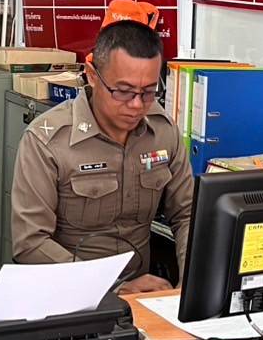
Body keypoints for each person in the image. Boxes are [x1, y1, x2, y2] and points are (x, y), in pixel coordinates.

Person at [11, 19, 193, 294]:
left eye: (148, 92)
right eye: (123, 91)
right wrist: (113, 288)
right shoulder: (47, 141)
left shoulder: (163, 132)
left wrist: (190, 284)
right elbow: (30, 243)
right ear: (92, 76)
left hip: (143, 294)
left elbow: (187, 214)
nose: (136, 105)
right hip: (67, 294)